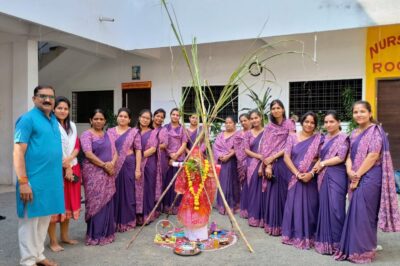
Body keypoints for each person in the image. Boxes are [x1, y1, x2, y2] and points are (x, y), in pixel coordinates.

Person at [335, 101, 400, 263]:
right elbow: (348, 155)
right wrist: (350, 170)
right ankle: (361, 245)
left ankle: (363, 250)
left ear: (370, 113)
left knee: (365, 212)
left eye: (362, 111)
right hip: (356, 174)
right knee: (357, 210)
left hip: (371, 176)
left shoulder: (376, 132)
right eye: (356, 112)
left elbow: (372, 156)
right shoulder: (354, 133)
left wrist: (356, 176)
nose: (359, 114)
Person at [14, 85, 64, 266]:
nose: (47, 100)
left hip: (50, 182)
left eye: (50, 97)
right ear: (34, 98)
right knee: (29, 222)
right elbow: (18, 151)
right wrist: (23, 181)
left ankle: (38, 255)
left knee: (44, 220)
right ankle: (27, 261)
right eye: (42, 96)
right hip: (32, 180)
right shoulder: (27, 120)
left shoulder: (53, 120)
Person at [281, 111, 322, 249]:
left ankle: (309, 236)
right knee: (294, 205)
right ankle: (293, 235)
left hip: (311, 177)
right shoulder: (292, 137)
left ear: (315, 125)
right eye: (307, 121)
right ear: (302, 122)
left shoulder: (319, 139)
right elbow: (286, 157)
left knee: (311, 206)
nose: (309, 125)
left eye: (312, 122)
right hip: (294, 176)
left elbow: (322, 158)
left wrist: (311, 173)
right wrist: (297, 174)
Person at [312, 111, 349, 255]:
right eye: (326, 122)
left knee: (336, 208)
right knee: (324, 207)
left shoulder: (344, 138)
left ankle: (339, 243)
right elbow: (321, 156)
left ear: (339, 122)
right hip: (323, 176)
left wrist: (322, 164)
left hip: (337, 175)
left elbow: (340, 157)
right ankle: (325, 242)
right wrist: (318, 164)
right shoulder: (324, 138)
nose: (328, 124)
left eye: (331, 121)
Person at [48, 96, 81, 252]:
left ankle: (65, 237)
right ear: (54, 109)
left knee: (68, 203)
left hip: (72, 167)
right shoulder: (50, 125)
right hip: (56, 170)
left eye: (65, 108)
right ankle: (53, 241)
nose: (62, 111)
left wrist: (69, 162)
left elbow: (77, 146)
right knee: (55, 204)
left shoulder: (72, 126)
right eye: (59, 108)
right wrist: (65, 164)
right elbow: (52, 148)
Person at [80, 109, 117, 245]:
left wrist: (112, 164)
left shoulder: (109, 135)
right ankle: (95, 235)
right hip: (93, 174)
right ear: (91, 120)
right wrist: (104, 165)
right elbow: (88, 154)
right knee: (95, 202)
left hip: (108, 173)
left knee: (107, 201)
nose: (98, 121)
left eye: (101, 119)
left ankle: (107, 233)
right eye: (96, 119)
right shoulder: (86, 135)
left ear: (105, 121)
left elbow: (116, 153)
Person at [261, 100, 295, 236]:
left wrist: (274, 156)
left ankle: (284, 225)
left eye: (278, 108)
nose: (276, 110)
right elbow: (265, 146)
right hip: (271, 163)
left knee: (284, 194)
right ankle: (273, 225)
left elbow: (290, 143)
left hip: (284, 162)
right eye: (273, 108)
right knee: (273, 193)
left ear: (283, 109)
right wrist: (268, 164)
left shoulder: (289, 124)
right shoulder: (269, 127)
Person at [107, 108, 141, 232]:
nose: (122, 118)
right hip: (113, 165)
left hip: (128, 164)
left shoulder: (134, 132)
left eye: (125, 116)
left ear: (129, 119)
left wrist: (137, 169)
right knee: (114, 192)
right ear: (117, 117)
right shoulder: (110, 131)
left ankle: (127, 221)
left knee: (128, 193)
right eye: (120, 116)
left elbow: (138, 150)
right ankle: (114, 221)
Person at [175, 146, 217, 240]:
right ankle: (190, 235)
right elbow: (183, 180)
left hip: (199, 194)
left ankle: (198, 236)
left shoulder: (205, 166)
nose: (195, 158)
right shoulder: (188, 167)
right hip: (192, 194)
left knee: (197, 212)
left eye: (197, 156)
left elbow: (212, 174)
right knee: (191, 212)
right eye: (194, 156)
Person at [159, 108, 188, 213]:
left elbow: (184, 144)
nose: (175, 116)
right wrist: (170, 155)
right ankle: (167, 206)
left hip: (179, 158)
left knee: (178, 183)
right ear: (170, 115)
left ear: (179, 117)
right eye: (173, 114)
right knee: (168, 182)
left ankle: (177, 206)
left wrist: (176, 155)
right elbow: (163, 143)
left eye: (177, 115)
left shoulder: (182, 129)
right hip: (167, 158)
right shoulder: (165, 128)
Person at [136, 109, 161, 224]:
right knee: (136, 189)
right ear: (139, 117)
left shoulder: (153, 132)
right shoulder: (133, 131)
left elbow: (153, 149)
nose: (145, 120)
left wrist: (138, 156)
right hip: (135, 165)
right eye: (143, 117)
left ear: (150, 120)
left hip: (149, 164)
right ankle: (137, 215)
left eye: (147, 118)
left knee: (148, 189)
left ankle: (147, 215)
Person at [240, 110, 265, 227]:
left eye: (256, 118)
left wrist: (262, 160)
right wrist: (258, 156)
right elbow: (246, 149)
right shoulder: (248, 134)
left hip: (265, 163)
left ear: (261, 118)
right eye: (252, 118)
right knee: (253, 189)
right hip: (251, 163)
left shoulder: (267, 132)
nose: (254, 120)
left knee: (263, 190)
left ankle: (262, 217)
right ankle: (253, 216)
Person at [213, 116, 240, 214]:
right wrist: (220, 156)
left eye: (230, 123)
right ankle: (221, 205)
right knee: (222, 182)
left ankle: (231, 205)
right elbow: (215, 146)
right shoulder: (220, 134)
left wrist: (228, 156)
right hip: (221, 162)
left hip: (231, 161)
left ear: (234, 124)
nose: (228, 124)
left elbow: (238, 148)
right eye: (226, 123)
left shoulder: (238, 135)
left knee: (231, 183)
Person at [234, 113, 251, 185]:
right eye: (241, 121)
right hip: (240, 162)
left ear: (250, 120)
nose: (243, 123)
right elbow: (235, 147)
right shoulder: (237, 134)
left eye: (245, 120)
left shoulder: (254, 132)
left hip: (252, 160)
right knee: (243, 184)